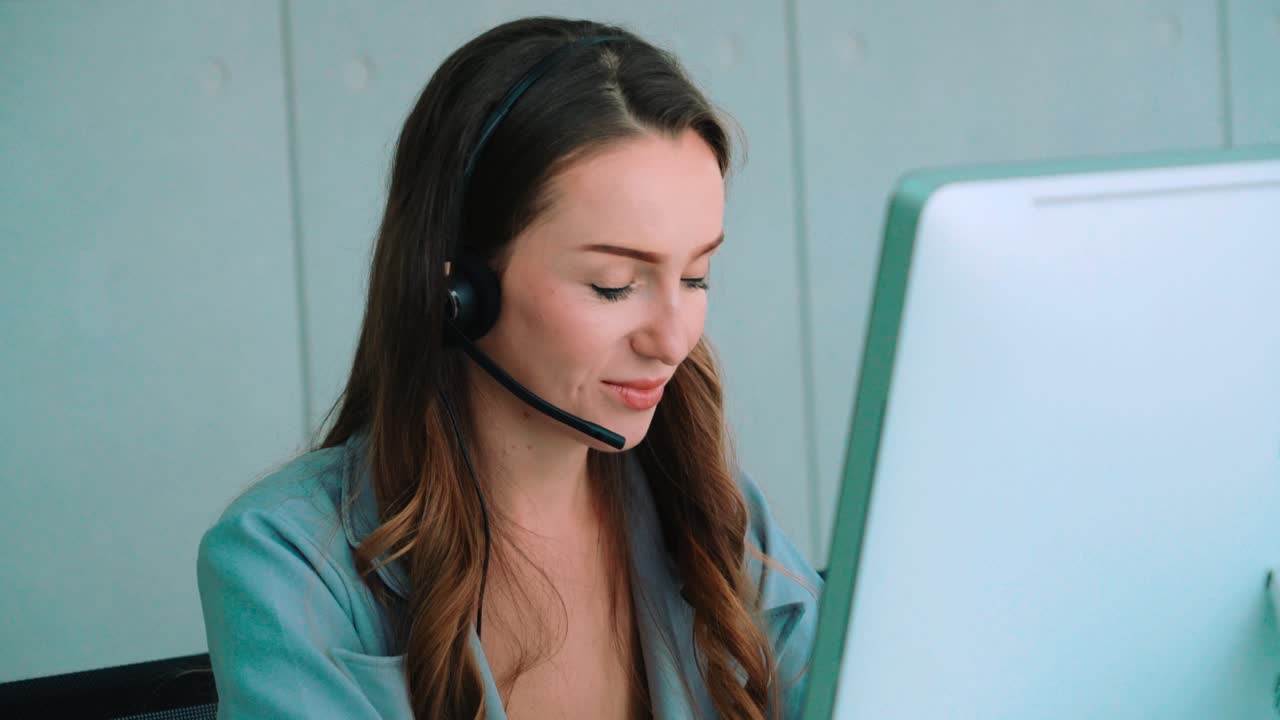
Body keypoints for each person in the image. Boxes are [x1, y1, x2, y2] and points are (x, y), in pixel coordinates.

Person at [197, 16, 821, 720]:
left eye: (697, 276)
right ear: (458, 290)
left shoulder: (712, 509)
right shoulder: (286, 562)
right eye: (614, 283)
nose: (673, 340)